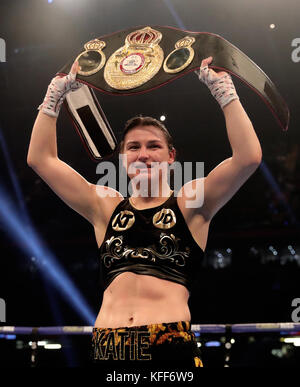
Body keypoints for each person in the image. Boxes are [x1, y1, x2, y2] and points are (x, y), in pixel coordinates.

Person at [27, 57, 262, 369]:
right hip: (107, 344)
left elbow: (248, 158)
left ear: (170, 157)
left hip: (168, 343)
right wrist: (52, 98)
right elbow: (40, 159)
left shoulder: (190, 203)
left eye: (154, 146)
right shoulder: (105, 206)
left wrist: (225, 93)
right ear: (123, 158)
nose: (144, 154)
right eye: (134, 147)